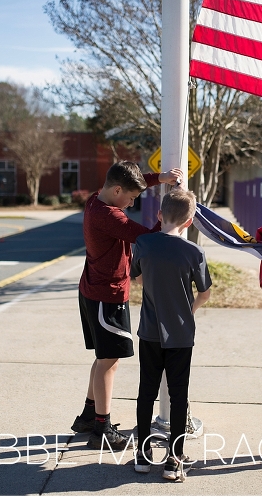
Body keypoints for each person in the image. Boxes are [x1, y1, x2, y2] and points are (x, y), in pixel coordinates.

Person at [72, 161, 183, 451]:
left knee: (103, 358)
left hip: (93, 291)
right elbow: (148, 239)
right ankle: (102, 429)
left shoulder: (97, 198)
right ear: (117, 190)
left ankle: (88, 416)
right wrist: (166, 219)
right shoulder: (110, 217)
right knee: (109, 362)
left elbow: (131, 179)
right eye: (131, 198)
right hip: (106, 297)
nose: (132, 203)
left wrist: (159, 178)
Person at [130, 188, 212, 481]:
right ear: (189, 222)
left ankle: (142, 454)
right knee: (179, 396)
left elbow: (136, 276)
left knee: (146, 392)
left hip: (150, 331)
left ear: (159, 215)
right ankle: (174, 461)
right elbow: (205, 292)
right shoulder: (194, 251)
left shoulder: (142, 243)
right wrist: (188, 310)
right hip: (180, 333)